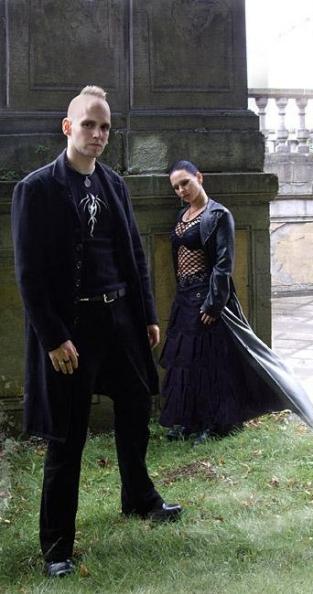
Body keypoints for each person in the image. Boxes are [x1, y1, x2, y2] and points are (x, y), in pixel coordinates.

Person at [11, 85, 182, 578]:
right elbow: (29, 274)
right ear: (68, 127)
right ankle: (57, 547)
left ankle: (139, 497)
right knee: (67, 437)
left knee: (136, 409)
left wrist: (147, 314)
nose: (98, 133)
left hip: (120, 320)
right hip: (72, 330)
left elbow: (133, 254)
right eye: (88, 124)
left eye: (105, 126)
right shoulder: (36, 189)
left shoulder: (113, 184)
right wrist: (52, 337)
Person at [159, 160, 313, 446]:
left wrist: (214, 304)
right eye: (176, 187)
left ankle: (212, 424)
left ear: (199, 177)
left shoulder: (218, 215)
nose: (181, 190)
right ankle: (187, 421)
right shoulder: (183, 215)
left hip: (207, 298)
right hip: (184, 297)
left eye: (185, 183)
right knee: (186, 363)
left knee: (210, 364)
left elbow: (223, 263)